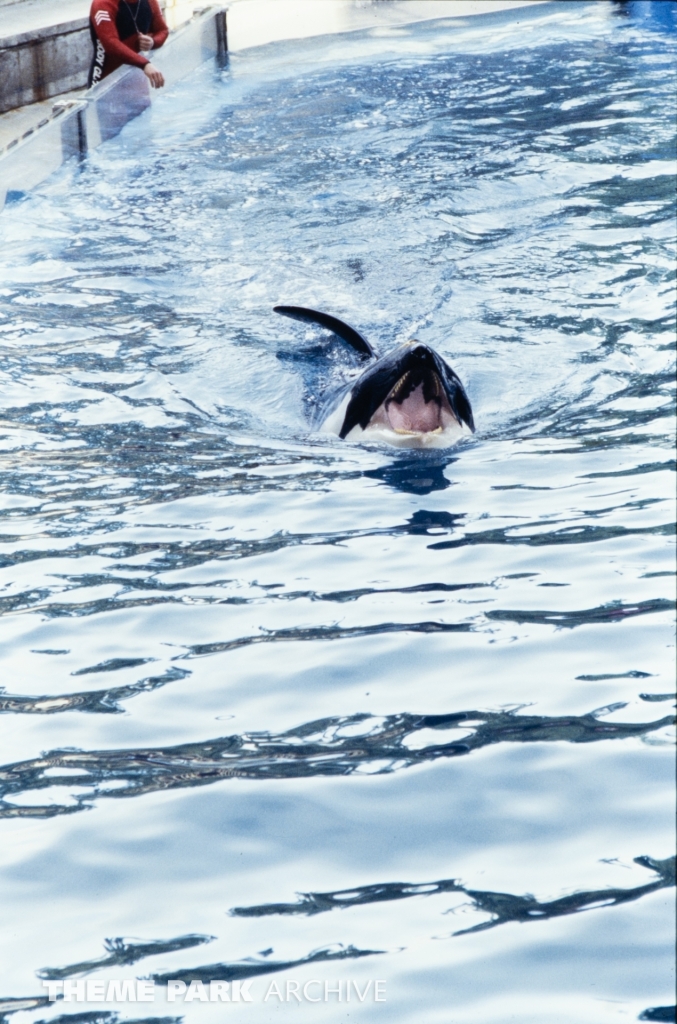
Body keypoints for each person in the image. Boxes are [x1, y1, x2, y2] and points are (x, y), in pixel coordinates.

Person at [88, 0, 169, 89]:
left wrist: (153, 42)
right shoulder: (102, 3)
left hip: (137, 75)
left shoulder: (150, 2)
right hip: (107, 78)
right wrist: (144, 64)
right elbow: (110, 44)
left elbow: (163, 30)